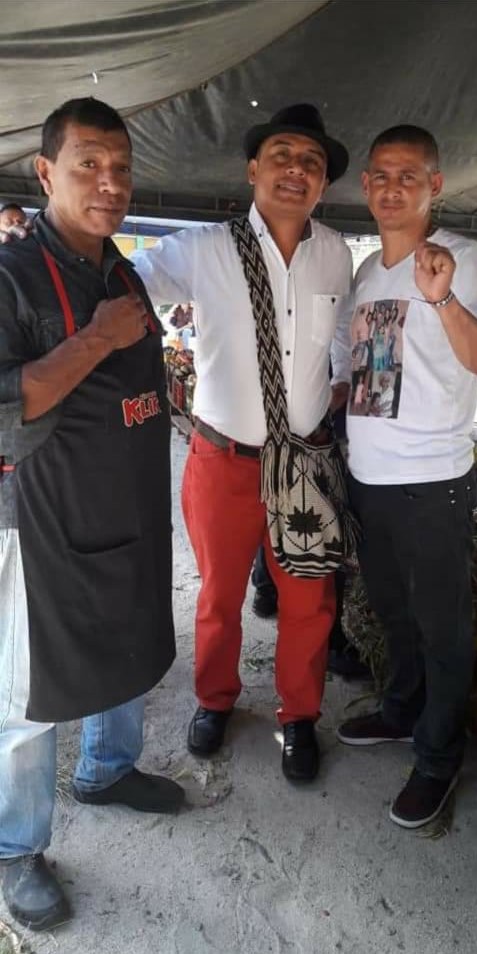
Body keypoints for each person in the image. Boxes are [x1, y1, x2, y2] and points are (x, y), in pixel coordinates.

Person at [0, 98, 183, 932]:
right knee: (26, 691)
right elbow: (9, 407)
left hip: (126, 499)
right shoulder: (13, 276)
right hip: (39, 517)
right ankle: (15, 847)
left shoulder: (121, 270)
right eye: (88, 165)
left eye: (121, 167)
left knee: (130, 635)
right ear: (46, 173)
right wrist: (102, 339)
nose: (110, 182)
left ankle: (108, 769)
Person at [132, 104, 352, 783]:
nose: (296, 169)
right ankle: (215, 698)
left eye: (312, 162)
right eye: (282, 155)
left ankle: (299, 715)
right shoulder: (204, 248)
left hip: (304, 459)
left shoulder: (336, 253)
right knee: (219, 595)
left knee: (309, 598)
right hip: (222, 459)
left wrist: (341, 380)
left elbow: (345, 329)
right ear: (253, 169)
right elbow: (128, 279)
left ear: (323, 183)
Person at [336, 125, 477, 829]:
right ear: (365, 185)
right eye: (380, 174)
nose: (392, 187)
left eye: (409, 175)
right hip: (368, 477)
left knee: (443, 626)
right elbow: (358, 369)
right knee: (393, 611)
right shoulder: (365, 273)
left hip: (435, 481)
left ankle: (439, 755)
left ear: (434, 185)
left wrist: (441, 298)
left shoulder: (463, 259)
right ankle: (403, 711)